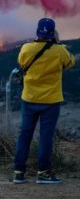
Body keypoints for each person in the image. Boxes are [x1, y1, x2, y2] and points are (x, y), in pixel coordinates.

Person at [13, 18, 75, 184]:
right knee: (46, 137)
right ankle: (44, 173)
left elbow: (21, 62)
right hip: (51, 100)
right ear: (53, 33)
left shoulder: (26, 48)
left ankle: (18, 173)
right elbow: (70, 63)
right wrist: (58, 43)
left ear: (37, 31)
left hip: (29, 98)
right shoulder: (60, 51)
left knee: (24, 135)